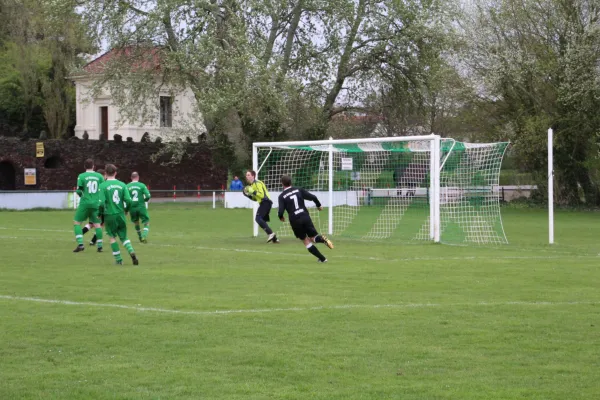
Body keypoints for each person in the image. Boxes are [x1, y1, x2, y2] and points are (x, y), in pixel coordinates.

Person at [277, 175, 333, 262]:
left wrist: (281, 217)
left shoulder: (282, 196)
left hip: (295, 220)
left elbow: (280, 211)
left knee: (305, 240)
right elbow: (313, 197)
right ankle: (323, 239)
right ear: (291, 182)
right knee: (314, 237)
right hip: (305, 216)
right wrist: (319, 205)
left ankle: (323, 258)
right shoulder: (298, 189)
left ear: (282, 184)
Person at [98, 164, 139, 266]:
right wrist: (126, 210)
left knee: (112, 237)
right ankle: (131, 252)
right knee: (124, 237)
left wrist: (100, 213)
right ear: (115, 173)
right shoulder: (122, 185)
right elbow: (129, 200)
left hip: (109, 215)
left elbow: (101, 203)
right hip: (120, 214)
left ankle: (119, 260)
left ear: (105, 173)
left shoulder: (102, 185)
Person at [73, 159, 104, 253]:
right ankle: (99, 246)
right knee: (97, 224)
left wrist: (83, 196)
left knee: (77, 223)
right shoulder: (99, 176)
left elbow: (78, 190)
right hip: (96, 203)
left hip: (85, 203)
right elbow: (103, 189)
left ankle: (80, 245)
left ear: (84, 167)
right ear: (93, 166)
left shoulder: (81, 176)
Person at [244, 170, 278, 243]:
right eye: (246, 175)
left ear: (253, 176)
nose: (247, 176)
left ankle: (271, 234)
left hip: (265, 202)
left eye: (248, 175)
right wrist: (248, 196)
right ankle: (274, 239)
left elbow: (261, 195)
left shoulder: (257, 183)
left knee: (258, 218)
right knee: (262, 220)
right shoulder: (252, 185)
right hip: (264, 203)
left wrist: (252, 191)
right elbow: (256, 199)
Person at [82, 169, 106, 246]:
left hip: (92, 205)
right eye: (105, 175)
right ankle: (93, 241)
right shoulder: (103, 183)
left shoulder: (95, 182)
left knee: (91, 223)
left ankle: (79, 234)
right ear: (103, 175)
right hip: (100, 206)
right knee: (100, 224)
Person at [126, 172, 152, 243]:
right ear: (138, 177)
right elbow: (148, 196)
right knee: (146, 222)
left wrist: (126, 209)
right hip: (141, 207)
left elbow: (126, 199)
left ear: (131, 178)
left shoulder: (127, 186)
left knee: (136, 222)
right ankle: (144, 236)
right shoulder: (142, 185)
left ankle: (140, 237)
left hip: (132, 208)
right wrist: (144, 200)